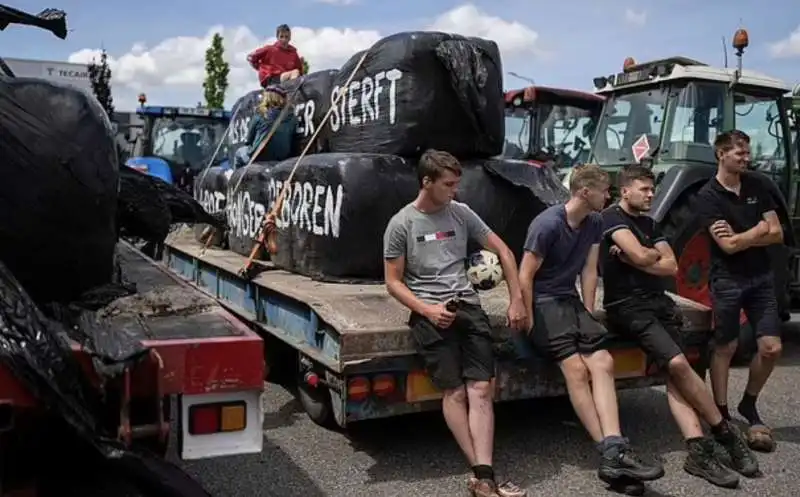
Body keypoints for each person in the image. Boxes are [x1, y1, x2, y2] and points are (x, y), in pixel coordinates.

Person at [601, 164, 759, 488]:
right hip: (629, 307)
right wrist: (643, 257)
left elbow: (670, 266)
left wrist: (636, 258)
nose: (650, 194)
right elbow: (644, 257)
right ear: (625, 190)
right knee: (676, 363)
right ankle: (724, 433)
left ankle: (698, 453)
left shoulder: (650, 222)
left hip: (659, 303)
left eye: (651, 189)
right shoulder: (611, 219)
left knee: (679, 373)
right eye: (644, 189)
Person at [383, 149, 527, 497]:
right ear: (426, 182)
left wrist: (517, 298)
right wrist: (428, 310)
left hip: (467, 306)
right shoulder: (401, 224)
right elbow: (393, 282)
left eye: (456, 183)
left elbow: (505, 252)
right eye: (448, 184)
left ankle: (484, 475)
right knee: (455, 391)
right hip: (431, 313)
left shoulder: (461, 213)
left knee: (481, 388)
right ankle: (483, 474)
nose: (454, 190)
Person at [517, 164, 664, 492]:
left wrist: (588, 309)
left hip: (569, 302)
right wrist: (527, 318)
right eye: (604, 190)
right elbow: (525, 274)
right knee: (574, 368)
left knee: (603, 361)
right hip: (542, 303)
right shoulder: (548, 224)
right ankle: (611, 451)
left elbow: (588, 268)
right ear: (585, 192)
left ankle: (614, 447)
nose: (608, 195)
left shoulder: (595, 221)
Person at [694, 129, 784, 453]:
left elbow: (776, 233)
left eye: (747, 153)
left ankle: (749, 404)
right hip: (727, 280)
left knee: (771, 347)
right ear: (721, 154)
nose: (746, 158)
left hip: (761, 277)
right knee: (726, 346)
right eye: (739, 154)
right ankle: (720, 410)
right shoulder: (707, 196)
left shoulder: (758, 185)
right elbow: (726, 248)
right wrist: (757, 230)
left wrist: (747, 235)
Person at [234, 86, 296, 168]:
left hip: (258, 157)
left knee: (239, 152)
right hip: (281, 158)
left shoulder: (260, 114)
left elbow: (249, 140)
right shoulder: (292, 118)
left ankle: (236, 179)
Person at [247, 24, 304, 88]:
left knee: (298, 74)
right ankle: (291, 93)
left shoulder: (293, 53)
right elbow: (250, 57)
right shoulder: (269, 49)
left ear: (290, 38)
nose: (284, 40)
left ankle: (290, 93)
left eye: (286, 37)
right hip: (272, 79)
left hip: (287, 78)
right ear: (277, 37)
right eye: (281, 37)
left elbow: (300, 70)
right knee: (295, 72)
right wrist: (260, 68)